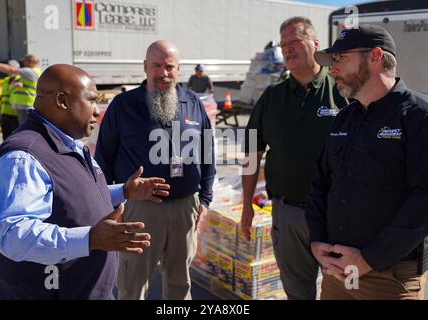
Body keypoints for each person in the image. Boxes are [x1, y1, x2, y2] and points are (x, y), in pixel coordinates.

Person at [0, 64, 170, 300]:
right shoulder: (24, 157)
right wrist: (90, 238)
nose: (97, 111)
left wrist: (123, 191)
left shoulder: (67, 143)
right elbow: (13, 235)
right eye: (91, 101)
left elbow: (70, 195)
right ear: (62, 101)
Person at [306, 24, 428, 300]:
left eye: (340, 59)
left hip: (389, 278)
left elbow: (423, 200)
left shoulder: (418, 116)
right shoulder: (344, 119)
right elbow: (320, 184)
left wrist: (369, 258)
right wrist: (317, 242)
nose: (332, 69)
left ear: (375, 57)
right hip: (337, 274)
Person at [95, 40, 216, 300]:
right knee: (133, 282)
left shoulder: (193, 102)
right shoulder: (123, 105)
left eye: (169, 67)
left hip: (185, 207)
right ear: (145, 67)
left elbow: (207, 153)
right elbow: (103, 158)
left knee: (180, 282)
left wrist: (204, 199)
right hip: (140, 209)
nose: (163, 73)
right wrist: (107, 205)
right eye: (156, 66)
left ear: (179, 69)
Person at [241, 16, 348, 300]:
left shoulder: (343, 91)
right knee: (297, 292)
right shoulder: (271, 97)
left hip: (336, 214)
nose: (287, 49)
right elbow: (252, 151)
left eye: (294, 41)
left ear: (315, 44)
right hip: (288, 214)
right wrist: (246, 204)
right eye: (283, 44)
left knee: (340, 290)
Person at [0, 54, 42, 126]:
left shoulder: (30, 71)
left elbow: (10, 69)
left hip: (26, 106)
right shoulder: (35, 72)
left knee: (24, 129)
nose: (23, 63)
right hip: (24, 106)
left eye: (25, 61)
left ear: (30, 61)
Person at [0, 60, 21, 139]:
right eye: (8, 67)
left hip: (16, 114)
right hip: (5, 113)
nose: (9, 70)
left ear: (16, 69)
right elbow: (3, 97)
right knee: (5, 137)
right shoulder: (6, 80)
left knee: (15, 137)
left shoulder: (21, 79)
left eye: (11, 68)